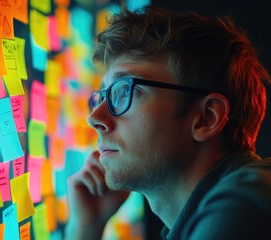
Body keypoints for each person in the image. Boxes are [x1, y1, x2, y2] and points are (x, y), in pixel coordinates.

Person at [65, 4, 271, 240]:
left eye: (124, 91)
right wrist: (85, 227)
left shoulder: (244, 205)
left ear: (207, 118)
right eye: (101, 97)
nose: (95, 118)